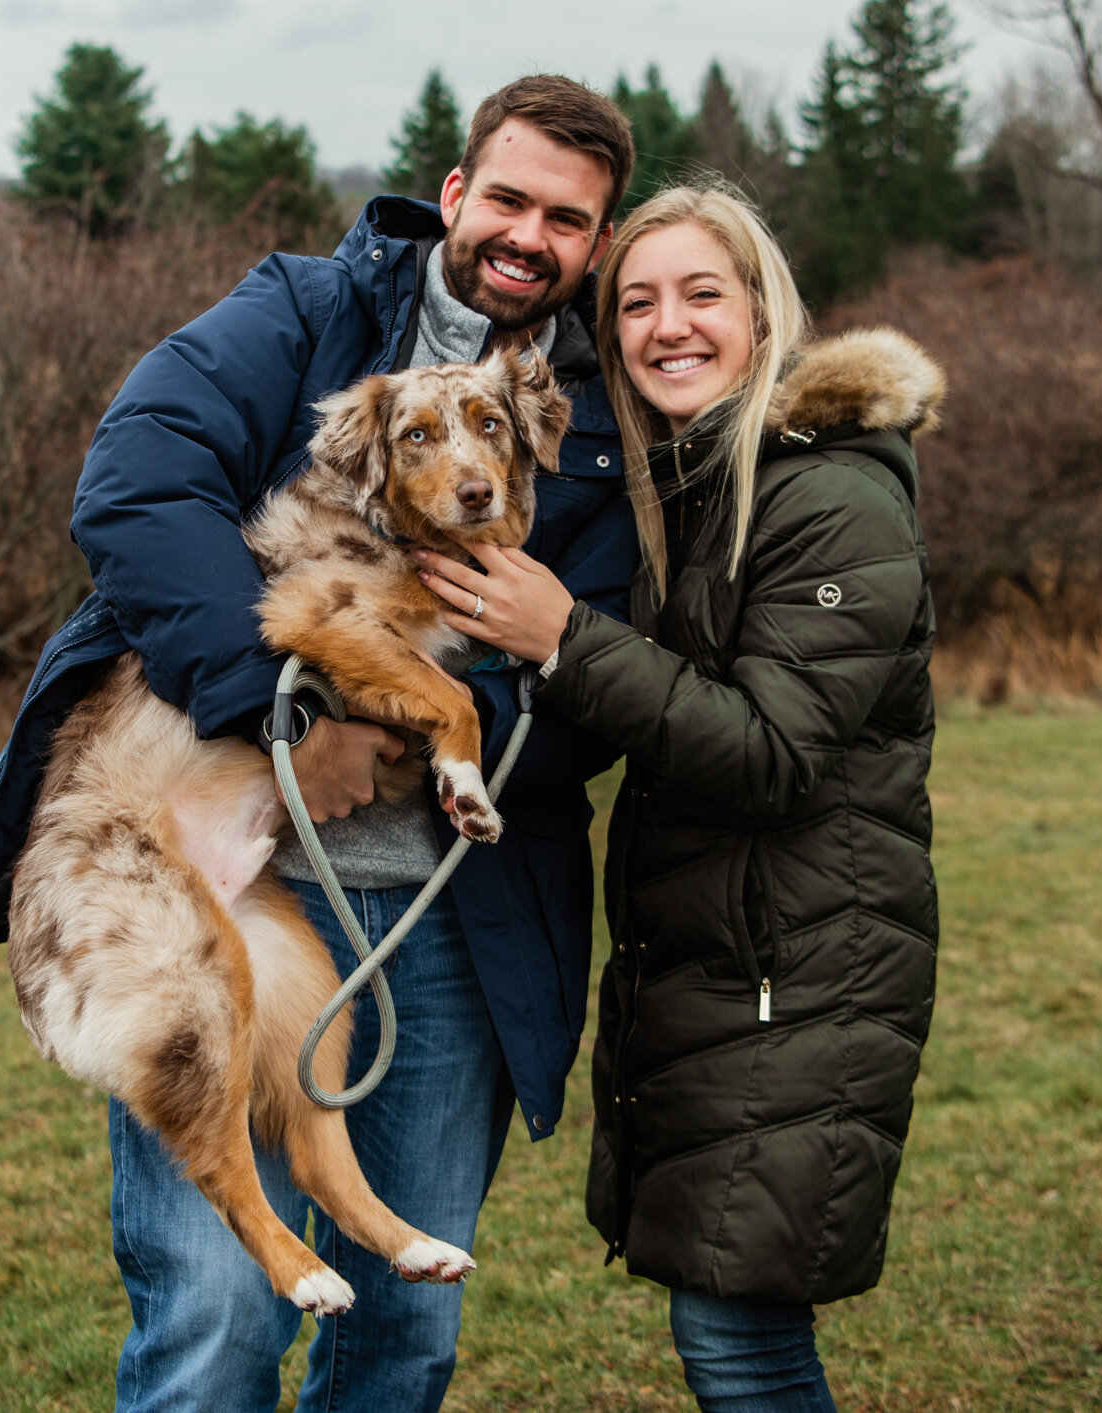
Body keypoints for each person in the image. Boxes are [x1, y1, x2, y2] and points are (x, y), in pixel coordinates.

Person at [0, 76, 641, 1412]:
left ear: (598, 240)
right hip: (221, 871)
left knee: (404, 1337)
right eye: (513, 199)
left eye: (570, 219)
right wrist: (282, 716)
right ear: (459, 195)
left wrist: (553, 644)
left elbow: (624, 657)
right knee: (215, 1325)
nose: (533, 236)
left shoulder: (599, 397)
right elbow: (139, 478)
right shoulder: (308, 310)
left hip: (452, 916)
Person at [416, 184, 943, 1413]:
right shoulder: (701, 483)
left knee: (740, 1342)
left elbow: (770, 751)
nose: (668, 326)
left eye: (702, 293)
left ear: (764, 312)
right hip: (730, 968)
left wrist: (564, 637)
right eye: (636, 302)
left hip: (802, 970)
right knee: (731, 1332)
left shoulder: (829, 496)